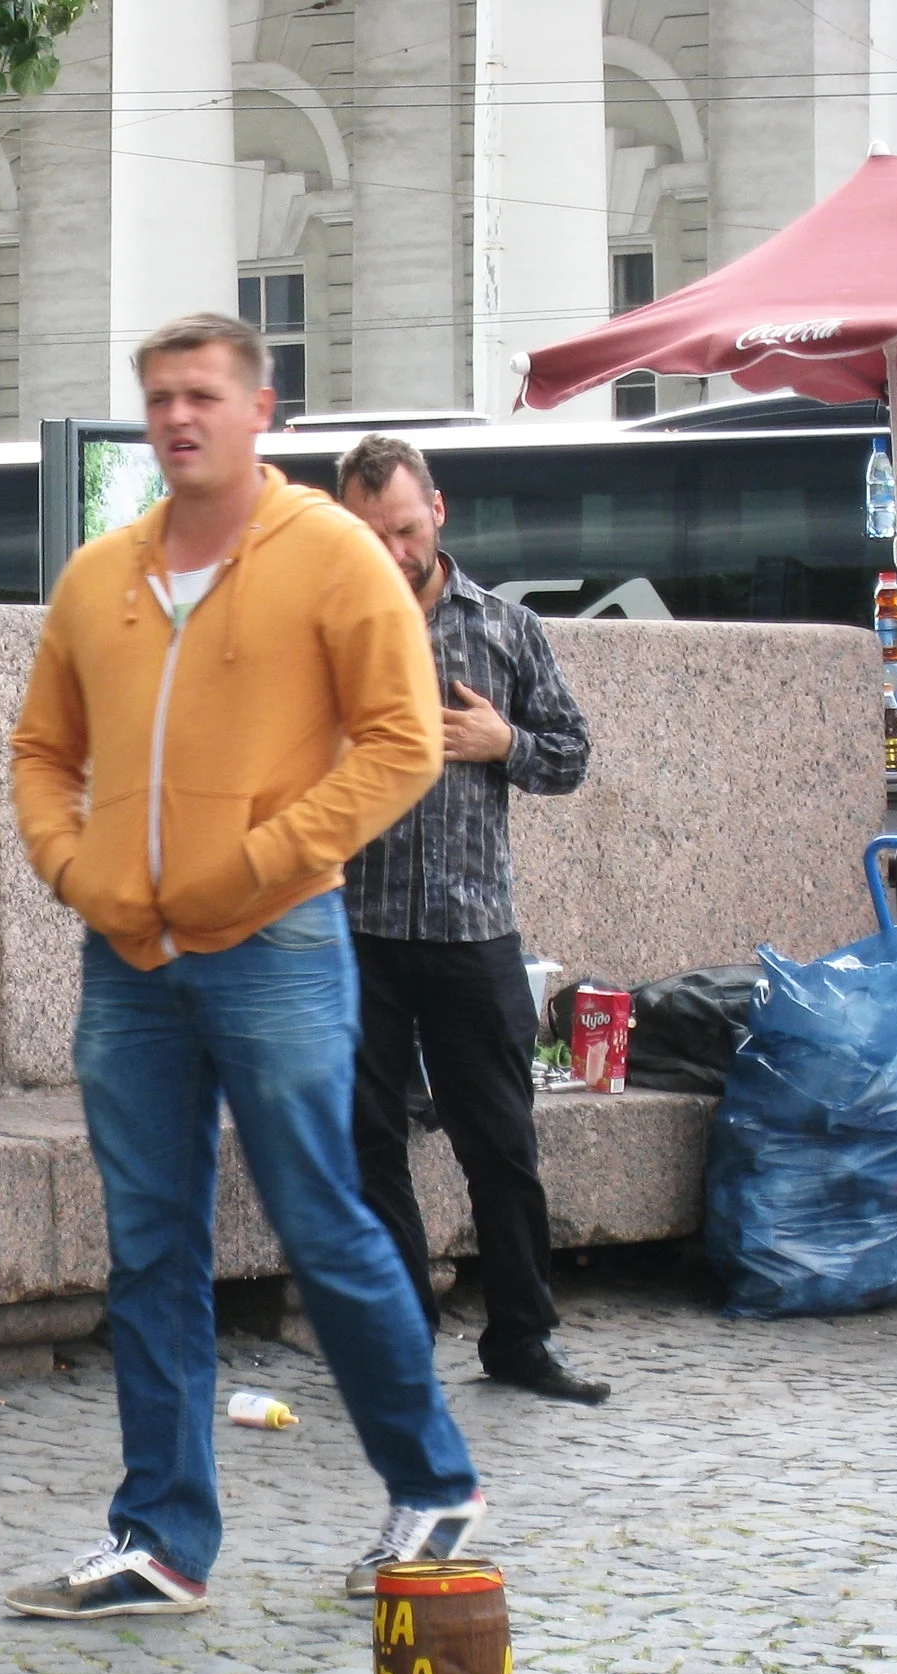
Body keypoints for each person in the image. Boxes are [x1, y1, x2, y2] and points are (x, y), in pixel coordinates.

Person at [4, 313, 483, 1617]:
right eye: (159, 395)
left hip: (277, 941)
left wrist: (262, 858)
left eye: (202, 394)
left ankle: (435, 1486)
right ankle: (160, 1538)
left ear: (260, 409)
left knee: (321, 1222)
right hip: (127, 956)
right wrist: (77, 870)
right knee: (147, 1246)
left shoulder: (330, 555)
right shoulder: (98, 576)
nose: (177, 416)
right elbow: (41, 751)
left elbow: (403, 742)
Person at [334, 435, 606, 1405]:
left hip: (471, 928)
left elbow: (571, 755)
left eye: (405, 530)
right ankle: (398, 1336)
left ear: (438, 513)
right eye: (369, 536)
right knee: (367, 1142)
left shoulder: (503, 627)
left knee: (500, 1144)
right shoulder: (328, 632)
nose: (392, 551)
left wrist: (504, 742)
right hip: (356, 927)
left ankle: (522, 1336)